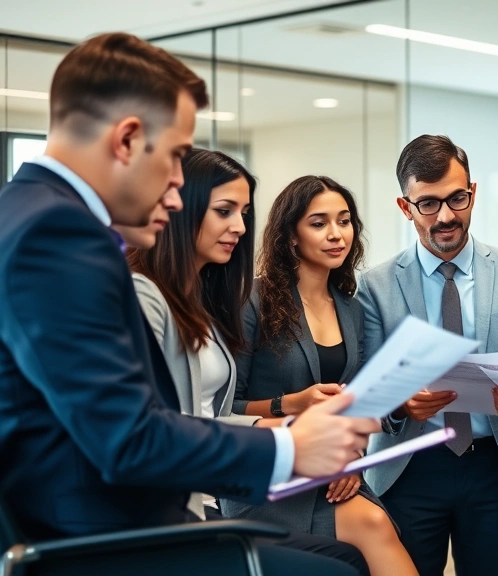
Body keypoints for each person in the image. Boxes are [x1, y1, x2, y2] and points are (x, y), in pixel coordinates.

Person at [0, 32, 377, 576]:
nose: (177, 187)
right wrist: (290, 452)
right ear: (128, 139)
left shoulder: (27, 213)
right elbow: (130, 440)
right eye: (176, 156)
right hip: (103, 542)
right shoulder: (59, 235)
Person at [117, 150, 372, 575]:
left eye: (243, 213)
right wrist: (288, 434)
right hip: (163, 514)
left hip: (202, 501)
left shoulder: (201, 304)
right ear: (180, 210)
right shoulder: (147, 297)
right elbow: (158, 429)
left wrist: (299, 433)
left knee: (348, 557)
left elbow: (212, 417)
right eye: (224, 211)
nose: (239, 226)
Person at [359, 134, 498, 576]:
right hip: (409, 466)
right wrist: (402, 404)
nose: (446, 216)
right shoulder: (376, 286)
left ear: (473, 193)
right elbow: (366, 387)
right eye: (428, 203)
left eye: (457, 198)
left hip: (493, 463)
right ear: (405, 207)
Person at [221, 175, 417, 576]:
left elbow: (356, 404)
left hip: (334, 473)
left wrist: (354, 455)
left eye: (344, 221)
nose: (336, 234)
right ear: (291, 236)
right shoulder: (251, 301)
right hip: (270, 477)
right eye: (319, 223)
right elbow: (225, 408)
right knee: (374, 525)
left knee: (375, 531)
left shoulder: (350, 308)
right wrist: (291, 404)